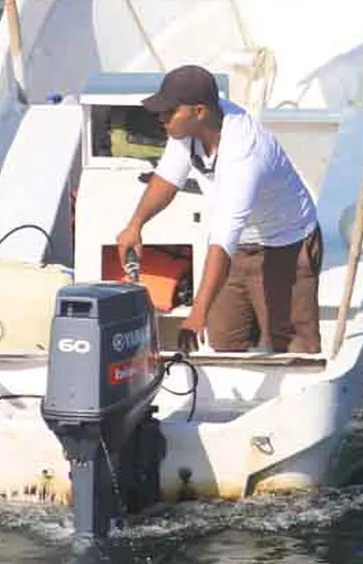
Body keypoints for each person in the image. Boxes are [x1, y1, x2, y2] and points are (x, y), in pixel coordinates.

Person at [115, 65, 324, 355]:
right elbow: (167, 178)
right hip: (237, 249)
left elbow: (223, 237)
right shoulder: (186, 129)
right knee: (225, 342)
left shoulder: (244, 153)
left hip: (286, 245)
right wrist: (135, 225)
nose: (161, 119)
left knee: (292, 348)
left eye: (169, 112)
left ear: (199, 111)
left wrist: (197, 312)